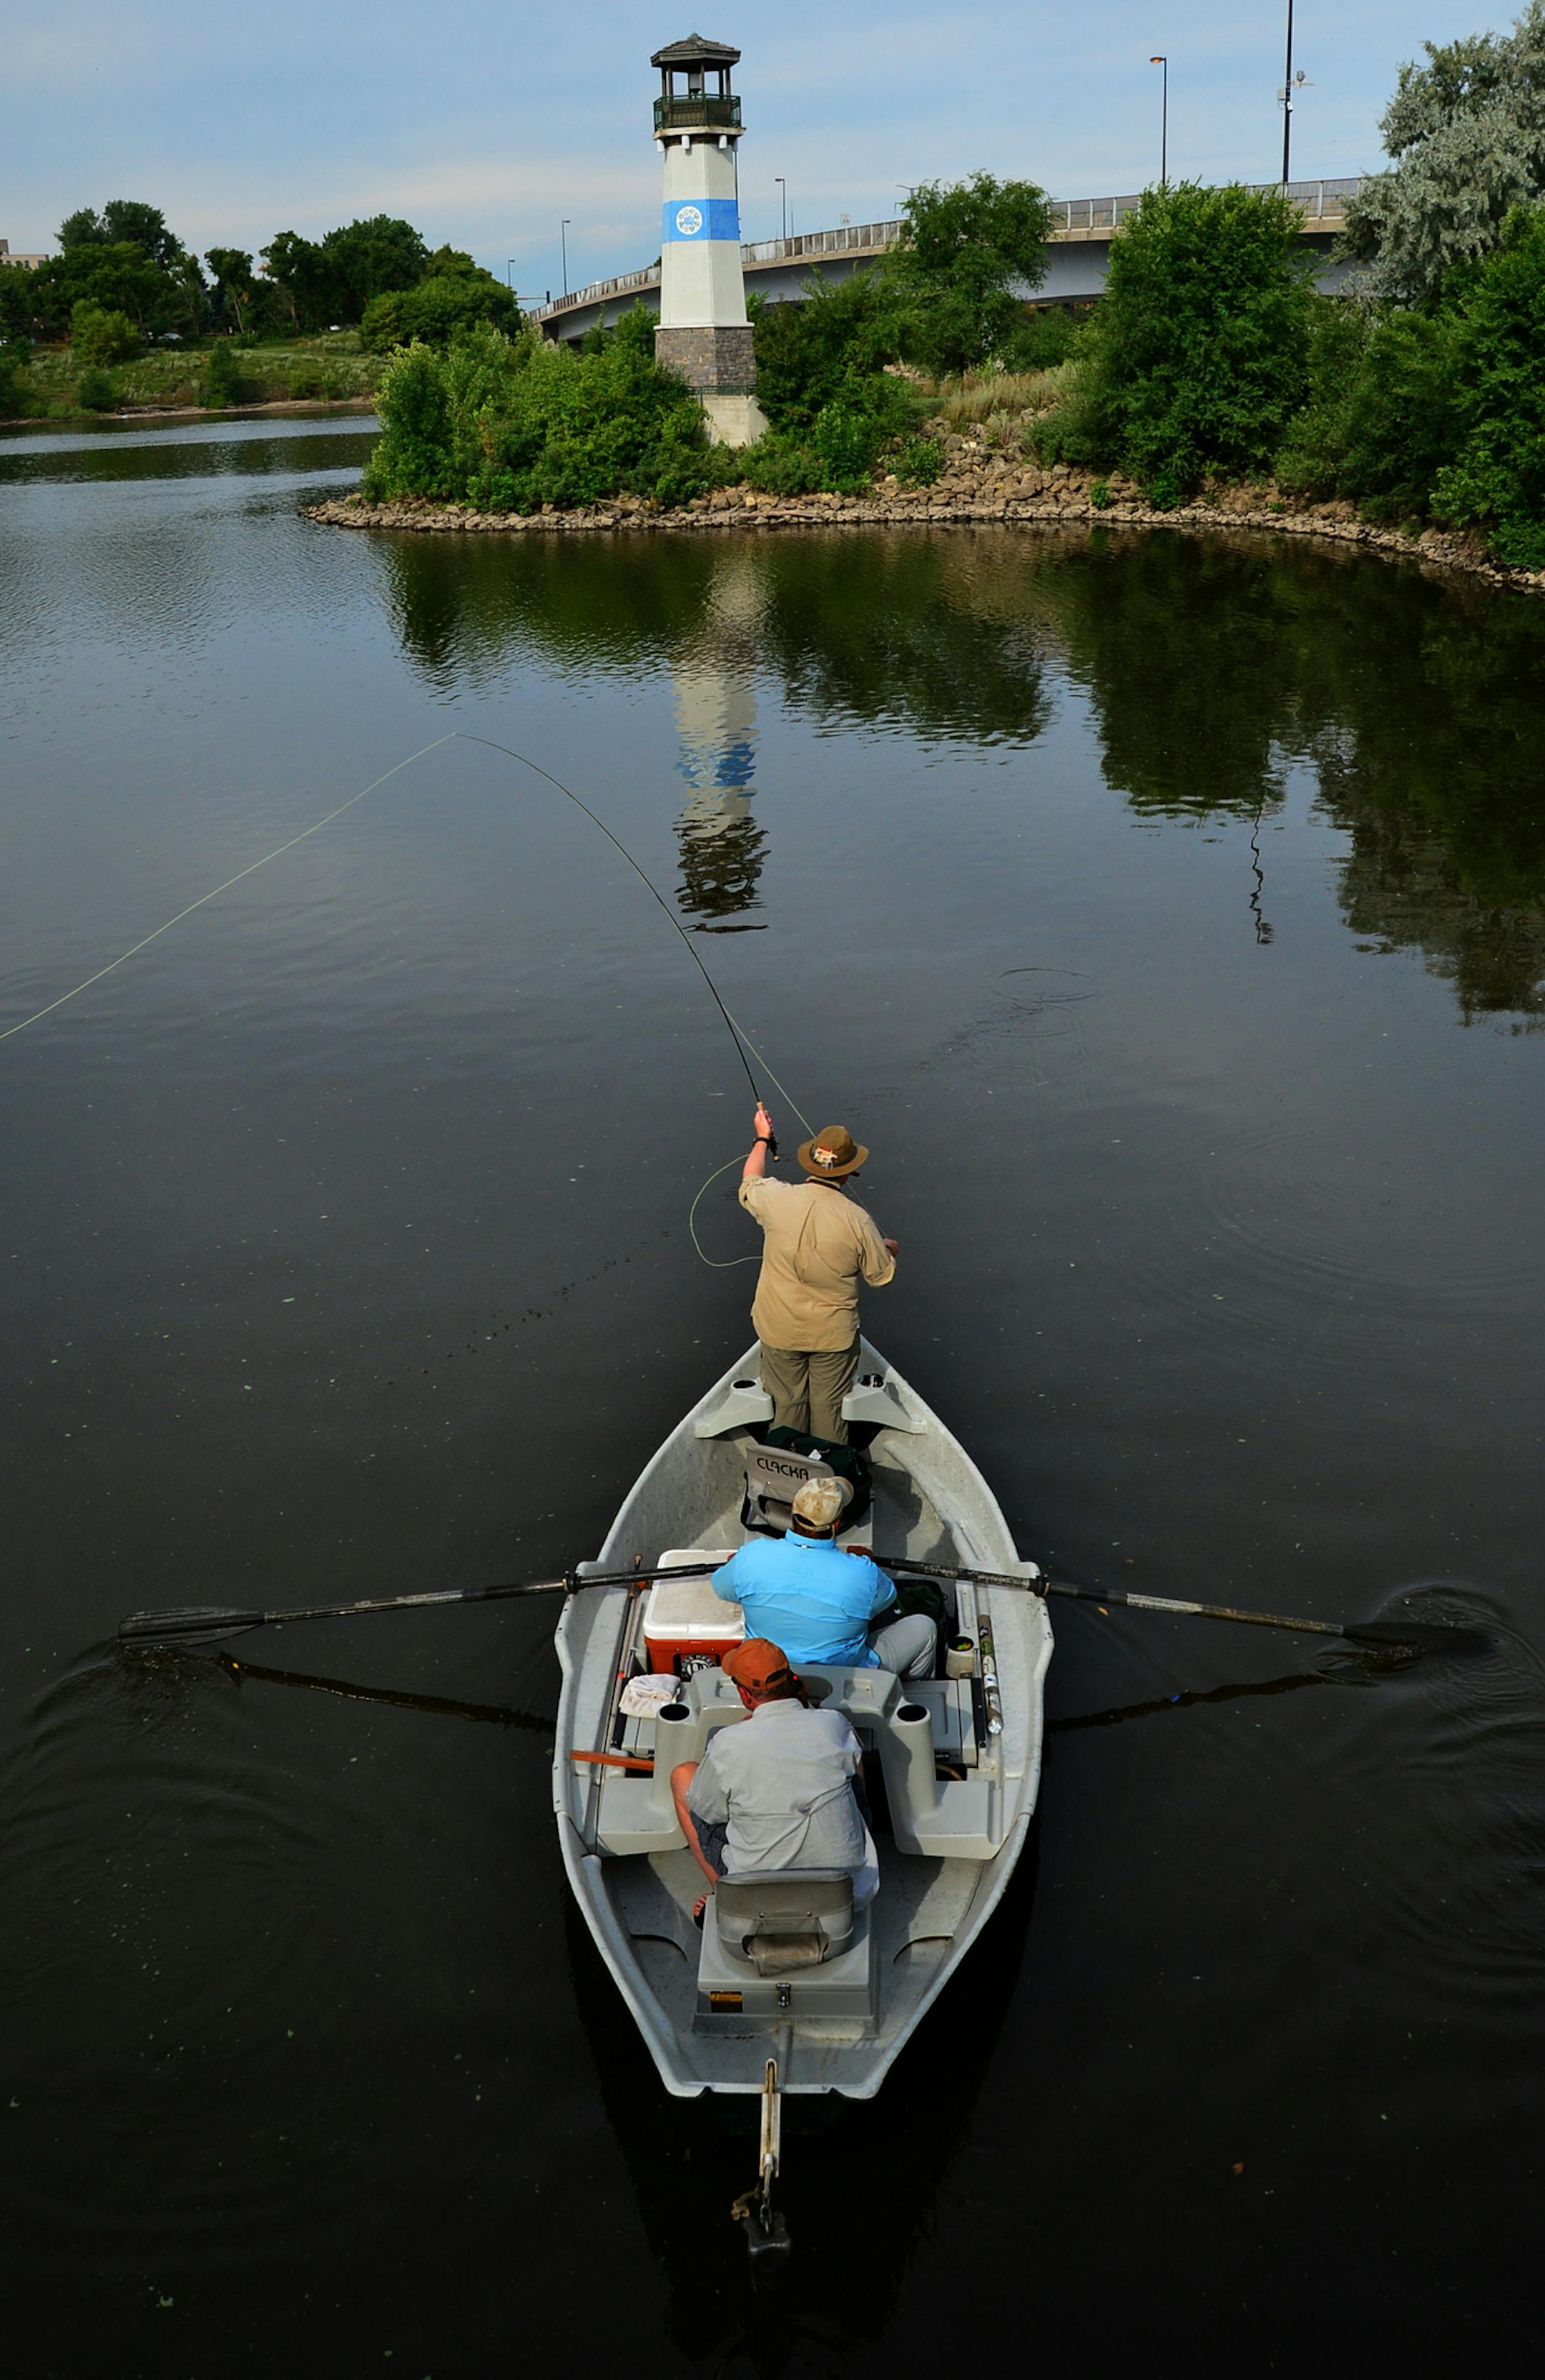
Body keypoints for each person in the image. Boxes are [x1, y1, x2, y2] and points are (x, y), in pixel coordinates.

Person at [670, 1636, 878, 1920]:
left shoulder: (727, 1744)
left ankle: (723, 1893)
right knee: (852, 1770)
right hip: (847, 1892)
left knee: (682, 1777)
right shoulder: (833, 1723)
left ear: (745, 1696)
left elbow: (709, 1811)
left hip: (755, 1894)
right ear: (791, 1680)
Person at [738, 1101, 898, 1445]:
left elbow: (750, 1180)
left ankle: (783, 1476)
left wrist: (762, 1138)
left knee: (788, 1405)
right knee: (828, 1411)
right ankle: (827, 1482)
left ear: (811, 1161)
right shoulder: (858, 1220)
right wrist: (886, 1249)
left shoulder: (776, 1198)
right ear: (847, 1172)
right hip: (832, 1339)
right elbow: (880, 1276)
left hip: (778, 1328)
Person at [711, 1476, 936, 1678]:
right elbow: (886, 1599)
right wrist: (868, 1562)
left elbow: (721, 1588)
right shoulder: (863, 1573)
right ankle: (906, 1690)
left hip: (769, 1671)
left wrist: (737, 1563)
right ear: (837, 1523)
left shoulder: (752, 1555)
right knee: (925, 1627)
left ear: (793, 1509)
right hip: (847, 1676)